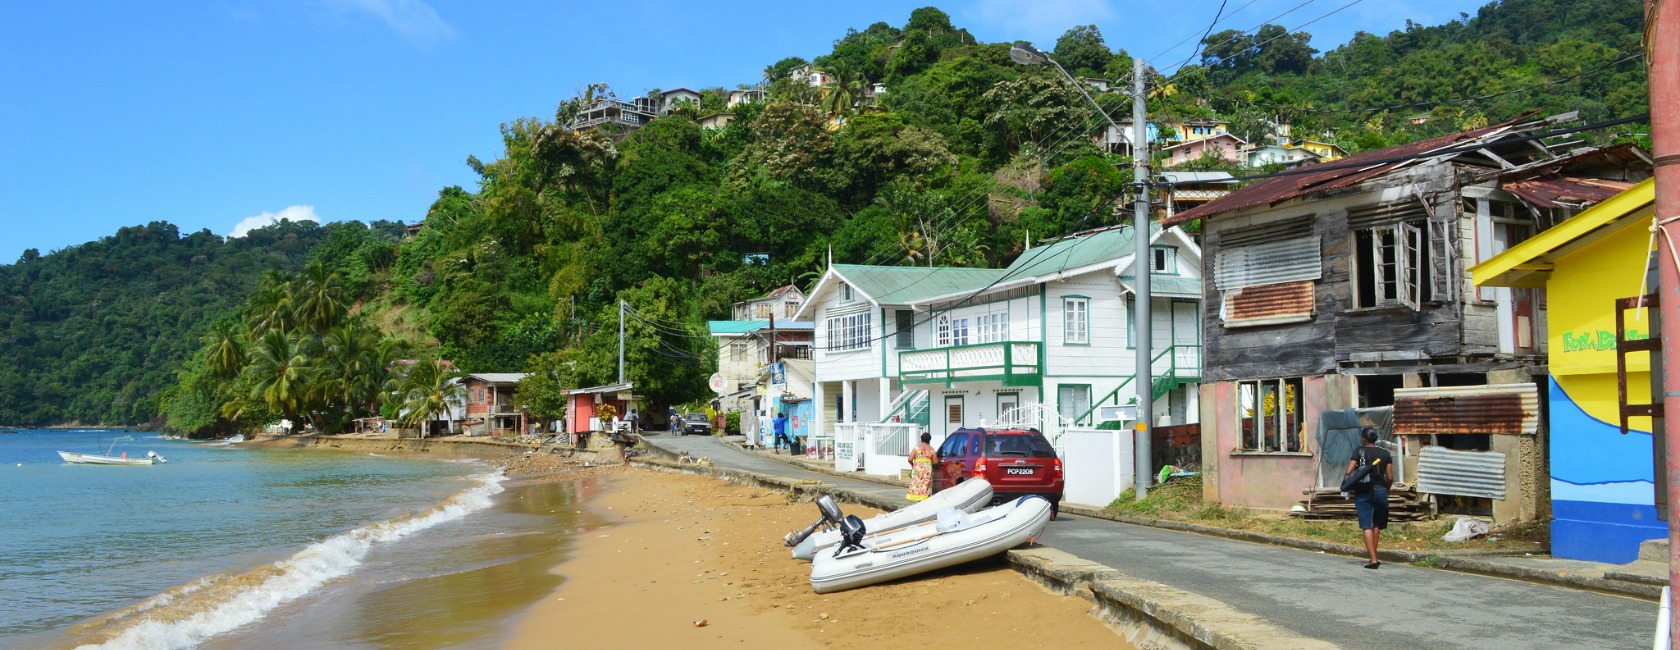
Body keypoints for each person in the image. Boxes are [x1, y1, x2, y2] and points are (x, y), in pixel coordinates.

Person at [1344, 427, 1394, 569]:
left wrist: (1347, 483)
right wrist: (1387, 490)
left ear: (1364, 439)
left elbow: (1349, 471)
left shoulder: (1359, 451)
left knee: (1367, 524)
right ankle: (1374, 555)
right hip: (1381, 489)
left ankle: (1373, 560)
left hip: (1363, 490)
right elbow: (1390, 477)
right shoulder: (1385, 453)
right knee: (1376, 524)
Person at [906, 432, 936, 501]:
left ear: (921, 439)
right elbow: (935, 461)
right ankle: (924, 500)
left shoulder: (916, 448)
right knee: (925, 485)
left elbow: (910, 459)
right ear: (929, 440)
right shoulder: (931, 449)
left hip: (917, 469)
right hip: (927, 470)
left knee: (917, 485)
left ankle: (918, 500)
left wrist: (913, 465)